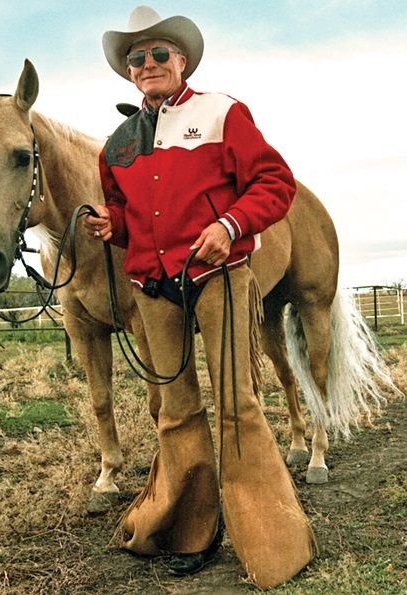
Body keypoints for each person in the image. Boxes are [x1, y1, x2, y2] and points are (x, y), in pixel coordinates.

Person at [84, 5, 316, 589]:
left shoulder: (223, 113)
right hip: (154, 288)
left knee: (237, 403)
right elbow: (128, 211)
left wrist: (232, 225)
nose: (148, 64)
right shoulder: (117, 145)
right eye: (137, 58)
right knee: (176, 412)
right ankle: (193, 530)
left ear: (181, 61)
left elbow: (275, 182)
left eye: (159, 54)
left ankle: (268, 535)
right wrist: (114, 226)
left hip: (220, 275)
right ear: (129, 73)